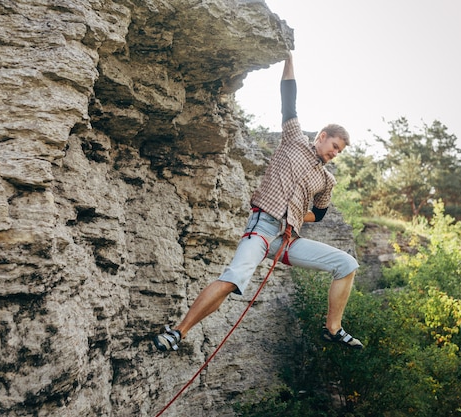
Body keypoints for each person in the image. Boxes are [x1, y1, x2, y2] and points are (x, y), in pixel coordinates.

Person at [153, 52, 363, 352]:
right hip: (262, 228)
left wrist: (296, 216)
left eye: (340, 152)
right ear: (322, 136)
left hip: (288, 239)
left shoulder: (327, 180)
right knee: (233, 279)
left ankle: (333, 328)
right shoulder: (293, 140)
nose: (335, 153)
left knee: (346, 264)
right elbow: (287, 99)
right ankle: (177, 332)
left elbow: (319, 213)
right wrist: (289, 60)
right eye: (334, 146)